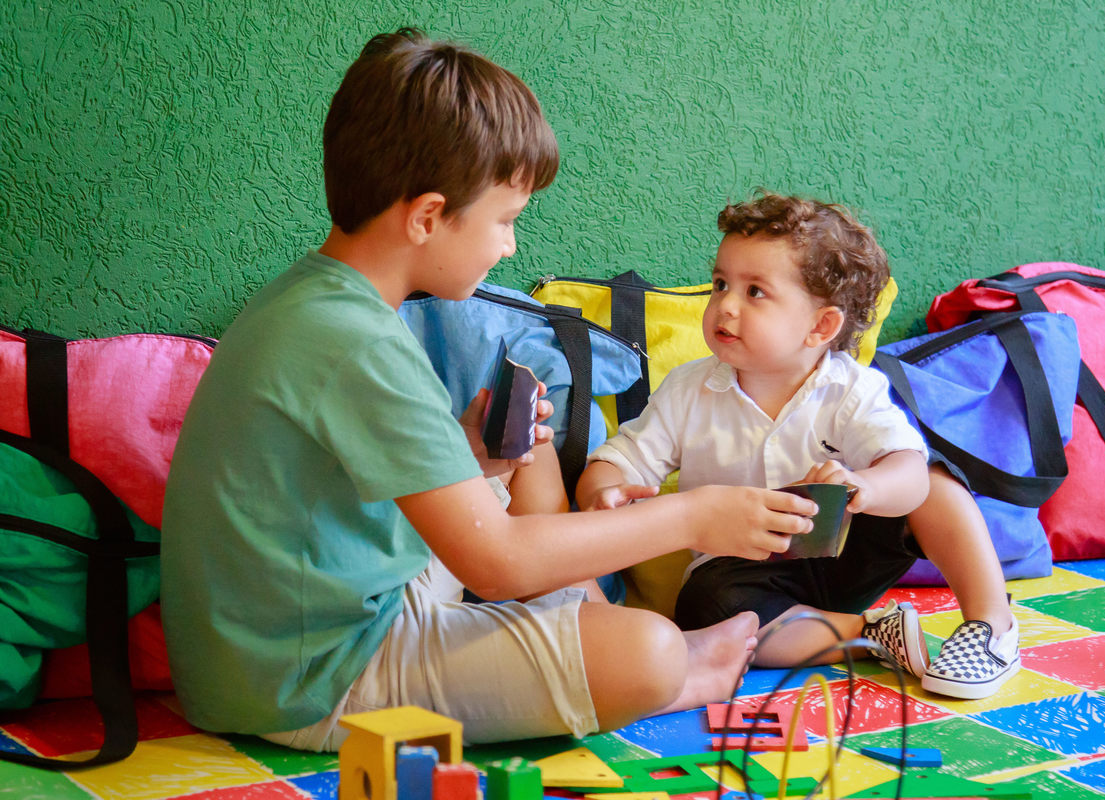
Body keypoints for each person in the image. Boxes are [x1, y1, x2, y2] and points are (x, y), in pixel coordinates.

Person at [159, 28, 815, 752]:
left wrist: (472, 458)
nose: (509, 245)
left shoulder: (320, 301)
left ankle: (590, 628)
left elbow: (342, 503)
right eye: (505, 221)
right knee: (650, 653)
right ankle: (669, 671)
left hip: (298, 632)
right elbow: (496, 565)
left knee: (525, 442)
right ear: (426, 217)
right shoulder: (359, 343)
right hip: (305, 682)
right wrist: (695, 516)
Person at [575, 193, 1020, 700]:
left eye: (755, 292)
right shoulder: (687, 391)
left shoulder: (851, 390)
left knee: (932, 477)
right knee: (708, 610)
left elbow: (908, 474)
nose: (725, 305)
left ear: (820, 326)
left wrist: (866, 486)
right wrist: (604, 491)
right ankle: (871, 633)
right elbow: (617, 461)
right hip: (745, 571)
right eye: (720, 284)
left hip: (846, 548)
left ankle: (992, 626)